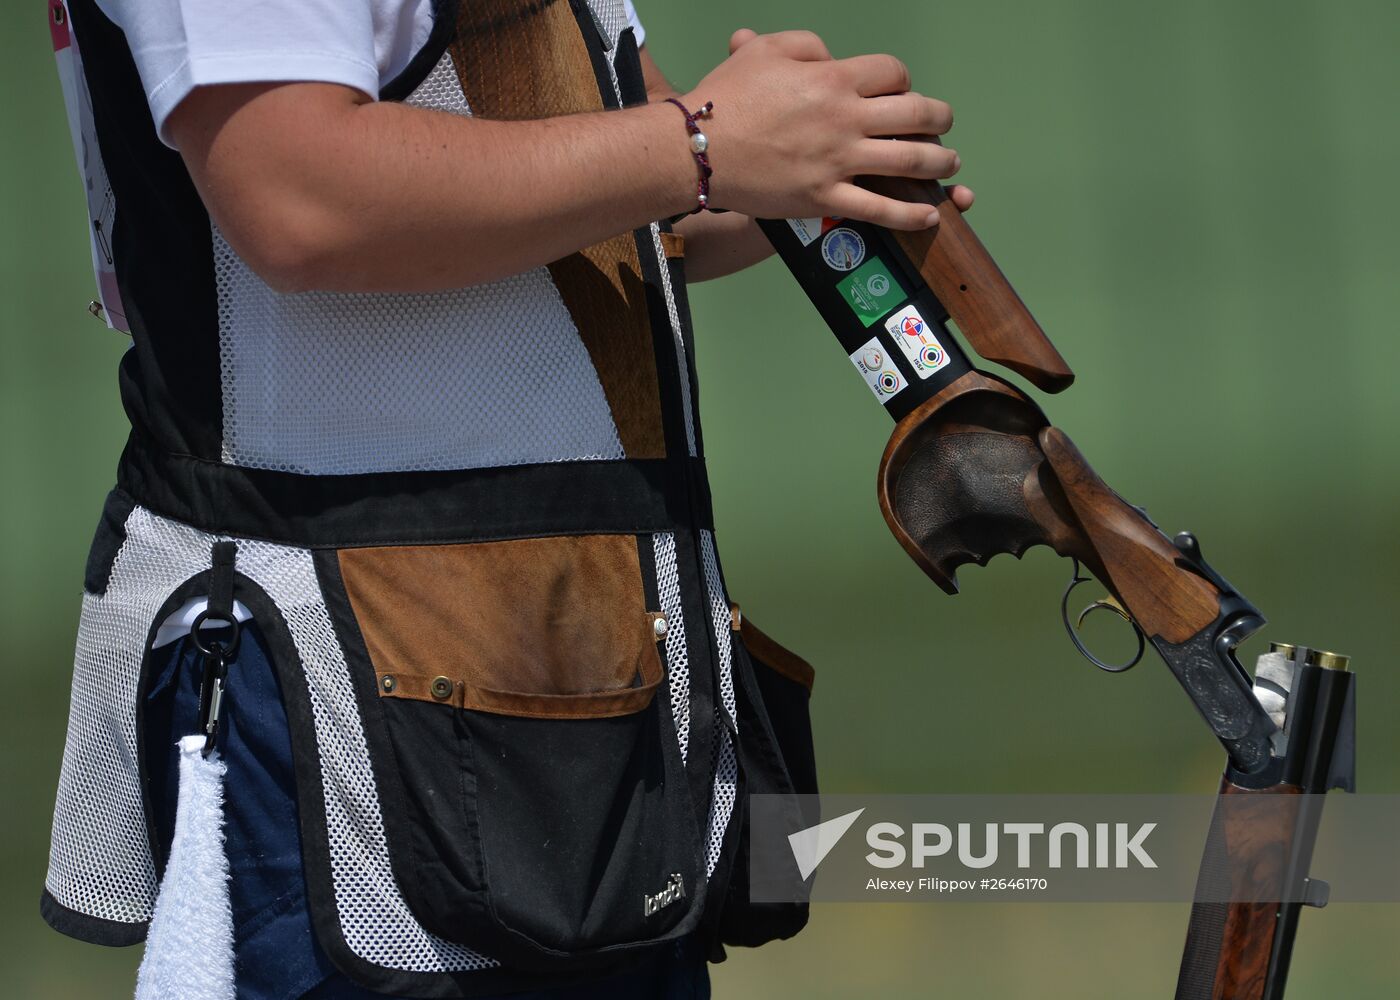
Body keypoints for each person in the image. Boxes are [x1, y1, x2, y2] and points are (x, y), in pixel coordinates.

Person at [41, 1, 972, 997]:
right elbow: (297, 193)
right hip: (351, 700)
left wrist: (801, 161)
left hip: (562, 691)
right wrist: (701, 142)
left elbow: (615, 176)